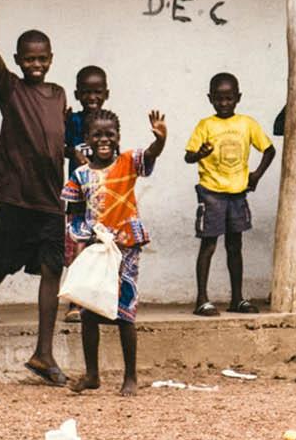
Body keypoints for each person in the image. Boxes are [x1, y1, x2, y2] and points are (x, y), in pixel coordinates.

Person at [0, 0, 70, 387]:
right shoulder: (9, 89)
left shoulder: (59, 94)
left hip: (51, 199)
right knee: (1, 262)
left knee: (52, 270)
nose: (36, 64)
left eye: (41, 58)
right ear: (18, 59)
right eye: (28, 59)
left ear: (50, 58)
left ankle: (43, 353)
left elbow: (60, 139)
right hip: (17, 195)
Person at [62, 107, 168, 396]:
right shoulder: (80, 175)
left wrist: (160, 139)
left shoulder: (128, 162)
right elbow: (73, 212)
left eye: (110, 134)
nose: (104, 139)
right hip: (96, 248)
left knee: (124, 312)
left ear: (118, 136)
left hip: (126, 246)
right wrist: (80, 242)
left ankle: (130, 376)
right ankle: (92, 374)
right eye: (97, 134)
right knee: (87, 311)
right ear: (87, 138)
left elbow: (150, 156)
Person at [183, 71, 274, 314]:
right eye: (219, 98)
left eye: (229, 98)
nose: (224, 103)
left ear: (238, 98)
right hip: (211, 193)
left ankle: (237, 299)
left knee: (235, 246)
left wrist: (255, 175)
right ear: (210, 98)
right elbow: (188, 157)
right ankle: (201, 299)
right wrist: (199, 154)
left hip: (237, 194)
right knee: (208, 245)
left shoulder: (247, 123)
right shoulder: (205, 125)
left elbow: (269, 150)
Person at [66, 65, 110, 164]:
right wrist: (74, 153)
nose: (92, 97)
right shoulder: (73, 120)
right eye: (86, 92)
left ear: (106, 94)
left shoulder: (109, 122)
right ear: (77, 95)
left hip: (105, 178)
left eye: (98, 92)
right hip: (78, 178)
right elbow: (60, 148)